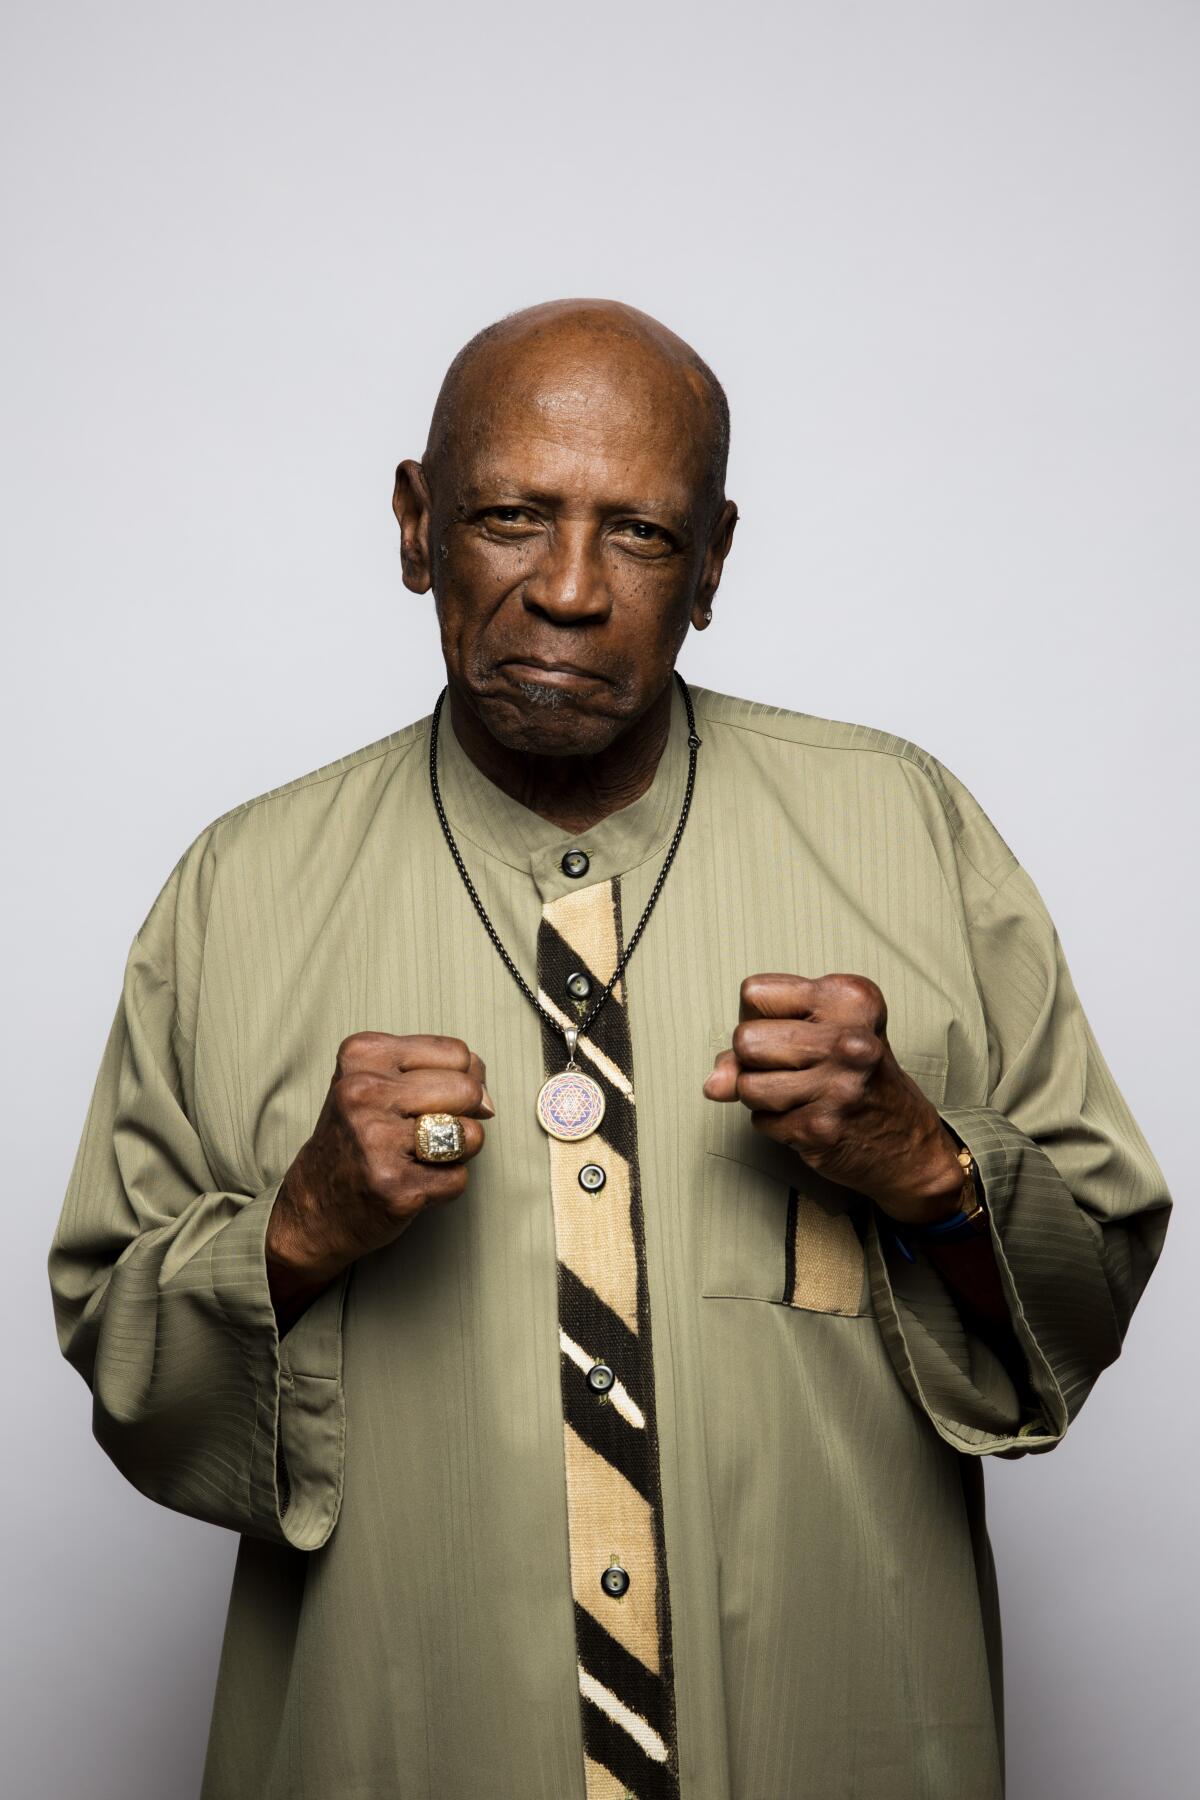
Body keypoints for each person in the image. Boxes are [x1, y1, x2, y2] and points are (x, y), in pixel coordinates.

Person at [48, 298, 1172, 1800]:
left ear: (711, 565)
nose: (568, 590)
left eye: (638, 534)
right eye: (511, 516)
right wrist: (303, 1229)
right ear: (413, 525)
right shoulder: (237, 892)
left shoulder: (909, 835)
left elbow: (1087, 1299)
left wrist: (924, 1164)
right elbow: (122, 1361)